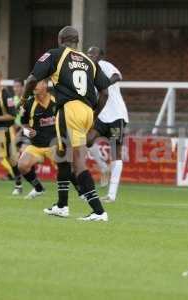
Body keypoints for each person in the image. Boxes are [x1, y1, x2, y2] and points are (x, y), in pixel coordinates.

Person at [21, 26, 115, 221]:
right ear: (77, 42)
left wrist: (23, 98)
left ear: (60, 40)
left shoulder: (55, 54)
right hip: (87, 111)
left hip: (69, 110)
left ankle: (99, 211)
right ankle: (62, 205)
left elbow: (31, 79)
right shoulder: (90, 61)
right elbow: (105, 92)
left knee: (77, 162)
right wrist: (94, 116)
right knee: (63, 155)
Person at [87, 46, 129, 203]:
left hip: (116, 115)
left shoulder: (104, 65)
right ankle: (103, 167)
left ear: (101, 56)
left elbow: (117, 76)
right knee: (87, 140)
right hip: (101, 115)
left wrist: (104, 83)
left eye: (94, 53)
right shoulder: (87, 72)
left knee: (115, 152)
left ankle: (111, 194)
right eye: (89, 53)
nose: (91, 55)